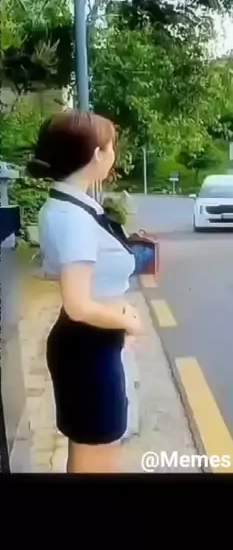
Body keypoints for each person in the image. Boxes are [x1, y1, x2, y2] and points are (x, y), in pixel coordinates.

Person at [27, 110, 144, 473]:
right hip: (89, 351)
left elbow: (56, 271)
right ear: (97, 154)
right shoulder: (72, 218)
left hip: (91, 346)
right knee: (97, 460)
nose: (114, 154)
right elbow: (78, 305)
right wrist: (126, 320)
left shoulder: (72, 205)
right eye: (111, 146)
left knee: (88, 455)